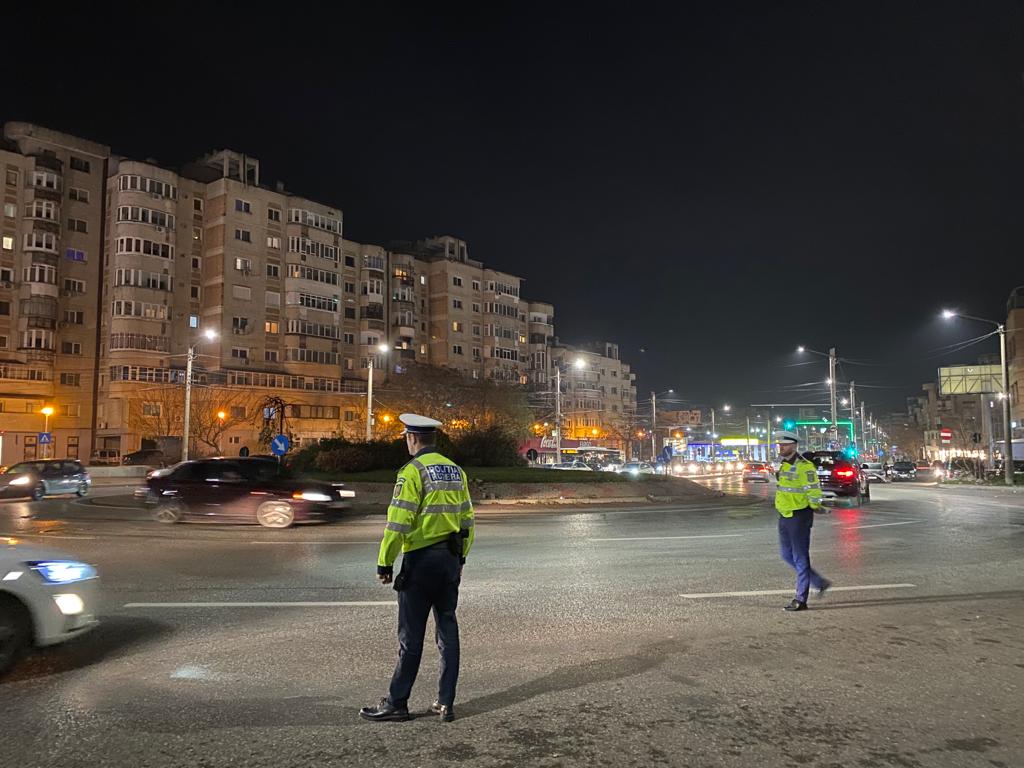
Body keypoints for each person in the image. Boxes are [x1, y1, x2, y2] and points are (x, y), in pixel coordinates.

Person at [360, 413, 475, 723]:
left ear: (412, 439)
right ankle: (445, 702)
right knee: (447, 630)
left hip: (420, 562)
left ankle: (397, 702)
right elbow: (468, 520)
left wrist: (385, 561)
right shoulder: (456, 471)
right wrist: (461, 559)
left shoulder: (412, 472)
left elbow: (399, 522)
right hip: (450, 560)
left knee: (411, 637)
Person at [773, 430, 831, 611]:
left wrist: (816, 506)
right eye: (780, 445)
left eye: (784, 445)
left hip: (799, 516)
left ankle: (801, 599)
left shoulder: (804, 466)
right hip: (785, 515)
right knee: (786, 555)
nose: (781, 448)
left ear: (794, 446)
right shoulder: (784, 465)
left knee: (800, 557)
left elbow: (813, 490)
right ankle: (819, 582)